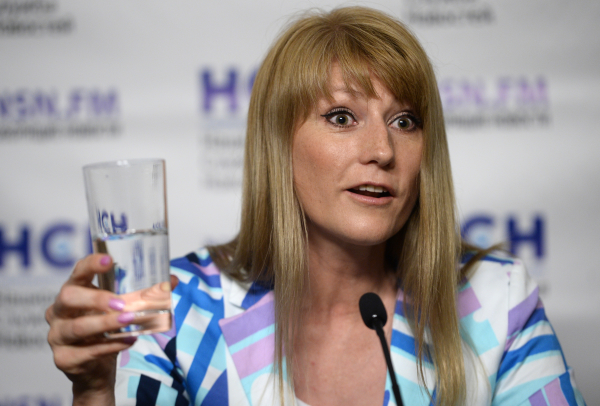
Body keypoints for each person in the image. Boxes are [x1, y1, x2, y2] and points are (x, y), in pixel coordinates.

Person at [46, 6, 586, 406]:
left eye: (405, 121)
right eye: (342, 118)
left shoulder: (495, 300)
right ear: (279, 146)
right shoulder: (181, 307)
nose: (382, 151)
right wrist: (94, 392)